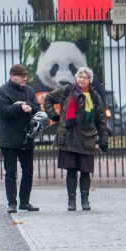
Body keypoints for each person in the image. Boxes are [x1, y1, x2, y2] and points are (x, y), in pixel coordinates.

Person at [44, 66, 108, 211]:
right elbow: (48, 99)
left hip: (87, 138)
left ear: (89, 80)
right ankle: (71, 201)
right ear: (76, 78)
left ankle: (85, 200)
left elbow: (101, 119)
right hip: (69, 137)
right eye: (80, 76)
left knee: (85, 171)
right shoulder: (67, 90)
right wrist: (53, 115)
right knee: (71, 171)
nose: (82, 79)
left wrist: (104, 139)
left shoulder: (94, 96)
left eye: (85, 77)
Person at [0, 63, 40, 214]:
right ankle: (12, 202)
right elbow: (3, 111)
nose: (24, 79)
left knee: (28, 171)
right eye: (21, 76)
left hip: (26, 137)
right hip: (9, 138)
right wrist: (19, 107)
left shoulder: (29, 91)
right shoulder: (3, 91)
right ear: (12, 76)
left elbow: (37, 108)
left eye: (25, 76)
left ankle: (24, 202)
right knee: (10, 172)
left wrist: (28, 105)